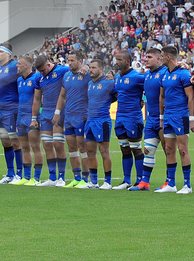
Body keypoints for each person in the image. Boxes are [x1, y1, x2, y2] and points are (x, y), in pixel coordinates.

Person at [156, 46, 194, 194]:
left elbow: (190, 97)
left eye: (162, 56)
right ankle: (171, 183)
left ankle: (187, 185)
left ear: (168, 57)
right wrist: (161, 117)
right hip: (168, 117)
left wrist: (191, 119)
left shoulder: (184, 74)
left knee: (183, 149)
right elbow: (162, 97)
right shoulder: (164, 74)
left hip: (181, 116)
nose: (160, 59)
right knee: (169, 149)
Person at [131, 48, 168, 191]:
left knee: (168, 150)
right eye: (145, 56)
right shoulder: (147, 75)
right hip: (151, 118)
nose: (146, 59)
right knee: (148, 150)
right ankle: (144, 182)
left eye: (149, 57)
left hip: (163, 118)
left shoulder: (165, 73)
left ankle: (169, 181)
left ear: (159, 59)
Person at [31, 54, 70, 186]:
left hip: (59, 112)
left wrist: (85, 68)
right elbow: (36, 99)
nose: (41, 73)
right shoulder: (38, 77)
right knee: (47, 145)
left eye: (43, 70)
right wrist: (34, 118)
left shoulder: (63, 70)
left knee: (58, 144)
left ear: (48, 64)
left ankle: (61, 177)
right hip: (45, 113)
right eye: (39, 71)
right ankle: (52, 178)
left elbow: (76, 72)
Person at [54, 51, 90, 187]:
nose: (69, 63)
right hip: (68, 116)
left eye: (72, 60)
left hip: (82, 116)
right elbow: (62, 96)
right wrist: (57, 112)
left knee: (83, 147)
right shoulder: (67, 76)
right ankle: (76, 177)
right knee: (72, 148)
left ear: (80, 61)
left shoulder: (87, 75)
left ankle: (86, 179)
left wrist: (86, 67)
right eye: (68, 60)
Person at [111, 50, 146, 190]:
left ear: (127, 61)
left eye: (119, 59)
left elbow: (150, 88)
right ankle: (126, 180)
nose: (116, 62)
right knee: (124, 149)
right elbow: (116, 94)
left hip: (133, 118)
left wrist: (142, 99)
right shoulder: (117, 77)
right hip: (120, 118)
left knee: (136, 149)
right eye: (116, 59)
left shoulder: (137, 77)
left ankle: (140, 181)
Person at [0, 43, 23, 184]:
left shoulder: (15, 66)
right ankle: (10, 173)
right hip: (1, 110)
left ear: (8, 53)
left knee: (16, 142)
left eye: (0, 51)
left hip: (13, 109)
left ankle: (20, 174)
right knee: (5, 142)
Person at [84, 59, 116, 189]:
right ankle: (94, 181)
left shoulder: (109, 83)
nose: (91, 70)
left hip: (102, 121)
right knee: (90, 152)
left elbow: (120, 95)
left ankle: (107, 182)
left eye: (94, 68)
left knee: (104, 152)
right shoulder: (90, 84)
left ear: (101, 69)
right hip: (90, 121)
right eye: (90, 67)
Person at [11, 55, 43, 185]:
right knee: (24, 147)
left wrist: (35, 117)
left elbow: (38, 99)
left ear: (26, 66)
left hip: (32, 117)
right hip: (21, 117)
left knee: (35, 146)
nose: (16, 66)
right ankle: (27, 177)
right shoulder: (19, 80)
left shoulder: (36, 78)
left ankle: (36, 178)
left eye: (19, 64)